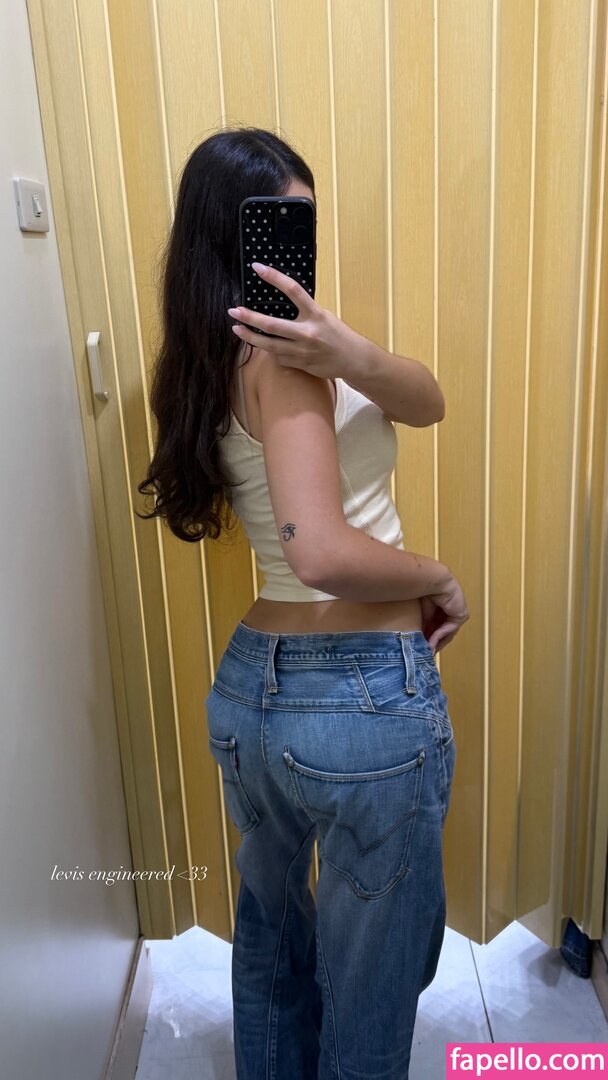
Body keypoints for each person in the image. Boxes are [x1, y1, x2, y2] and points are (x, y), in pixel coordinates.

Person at [137, 126, 469, 1080]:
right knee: (374, 977)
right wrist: (436, 576)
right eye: (277, 226)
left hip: (254, 691)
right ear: (231, 243)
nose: (295, 246)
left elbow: (428, 401)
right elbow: (318, 551)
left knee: (273, 944)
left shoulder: (212, 359)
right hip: (356, 696)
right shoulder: (277, 365)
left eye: (304, 225)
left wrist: (342, 347)